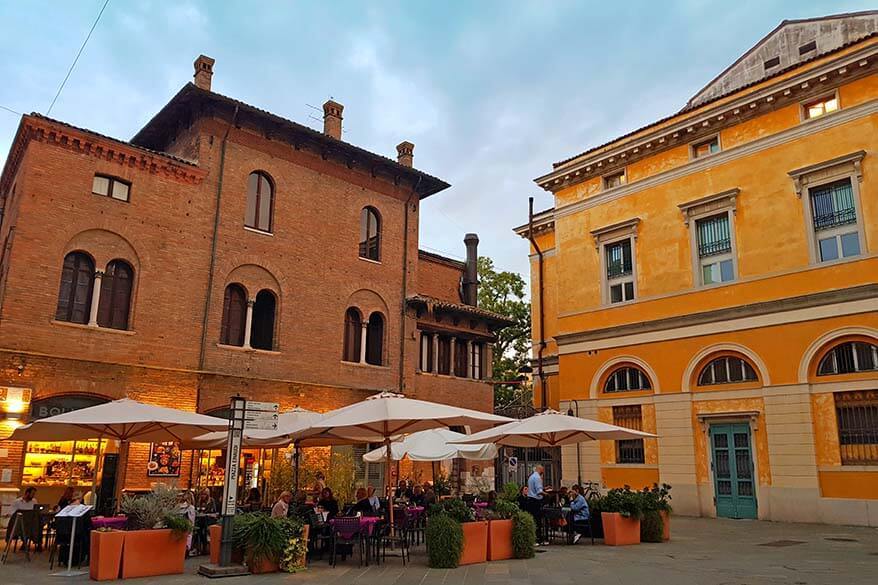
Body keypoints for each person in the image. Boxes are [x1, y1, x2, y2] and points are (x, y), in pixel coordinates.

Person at [527, 465, 547, 545]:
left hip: (530, 499)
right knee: (538, 520)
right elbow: (539, 491)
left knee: (533, 519)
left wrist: (544, 488)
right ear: (540, 469)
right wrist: (546, 494)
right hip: (536, 501)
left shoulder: (531, 477)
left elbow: (533, 489)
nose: (543, 472)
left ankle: (532, 538)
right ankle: (538, 539)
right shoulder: (538, 478)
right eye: (543, 470)